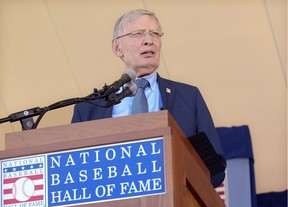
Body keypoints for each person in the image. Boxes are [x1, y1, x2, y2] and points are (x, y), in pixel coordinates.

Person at [72, 9, 226, 187]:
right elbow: (77, 173)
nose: (149, 40)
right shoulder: (90, 108)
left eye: (154, 33)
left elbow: (214, 169)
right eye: (138, 34)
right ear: (117, 48)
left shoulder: (189, 97)